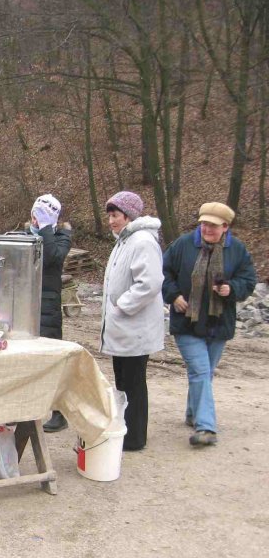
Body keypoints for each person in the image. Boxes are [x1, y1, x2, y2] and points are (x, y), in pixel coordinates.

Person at [162, 202, 256, 447]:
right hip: (187, 321)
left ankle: (193, 413)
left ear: (225, 227)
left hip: (219, 323)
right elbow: (163, 273)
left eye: (213, 225)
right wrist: (174, 296)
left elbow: (248, 281)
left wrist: (231, 288)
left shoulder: (237, 250)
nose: (206, 229)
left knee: (204, 373)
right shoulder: (183, 245)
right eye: (203, 223)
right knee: (201, 371)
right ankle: (206, 427)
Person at [100, 191, 164, 452]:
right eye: (109, 216)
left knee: (133, 383)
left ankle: (135, 437)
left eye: (115, 215)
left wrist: (121, 306)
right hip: (123, 327)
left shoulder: (142, 241)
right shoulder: (124, 241)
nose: (111, 221)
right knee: (123, 382)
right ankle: (126, 430)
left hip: (134, 327)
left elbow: (150, 283)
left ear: (128, 215)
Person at [27, 194, 74, 433]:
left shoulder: (61, 237)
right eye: (35, 215)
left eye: (42, 216)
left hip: (47, 308)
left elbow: (53, 257)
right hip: (24, 305)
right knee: (24, 360)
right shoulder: (25, 236)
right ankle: (21, 410)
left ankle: (58, 412)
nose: (36, 220)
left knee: (52, 361)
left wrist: (46, 228)